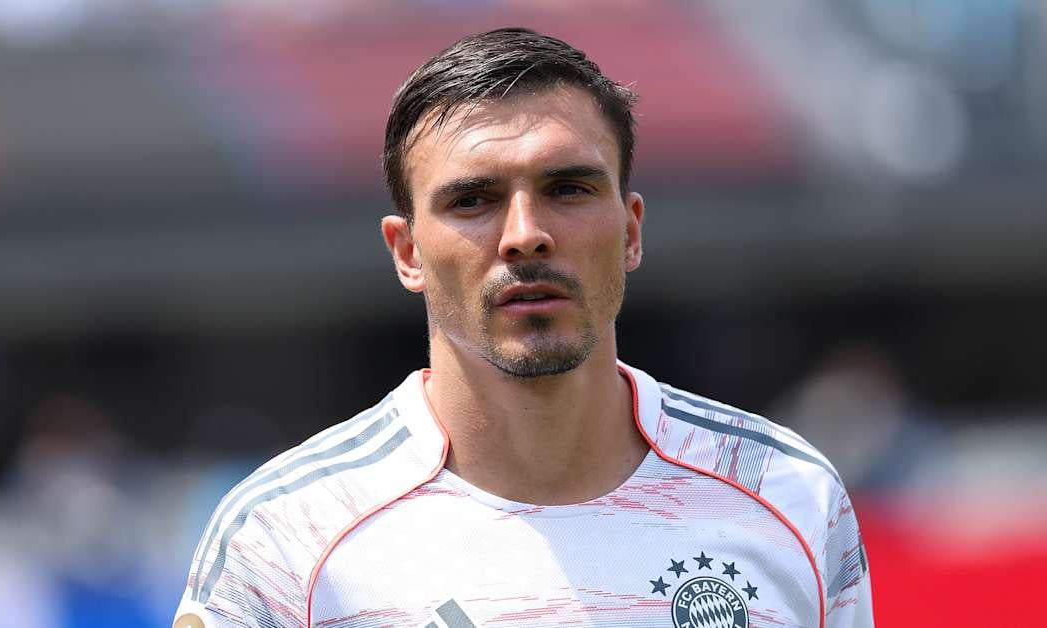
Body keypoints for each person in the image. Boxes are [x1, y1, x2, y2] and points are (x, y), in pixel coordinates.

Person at [174, 28, 872, 628]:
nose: (525, 234)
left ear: (631, 231)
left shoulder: (788, 495)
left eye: (568, 188)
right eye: (472, 200)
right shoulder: (285, 537)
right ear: (408, 252)